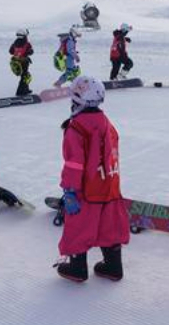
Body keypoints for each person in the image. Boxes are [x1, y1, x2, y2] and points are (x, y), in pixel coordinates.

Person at [55, 76, 129, 282]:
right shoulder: (107, 123)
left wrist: (70, 190)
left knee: (79, 226)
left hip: (86, 188)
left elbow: (74, 163)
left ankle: (77, 268)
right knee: (110, 224)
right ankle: (113, 266)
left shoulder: (76, 127)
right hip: (109, 185)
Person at [9, 29, 34, 96]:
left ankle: (26, 90)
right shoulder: (27, 43)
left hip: (16, 62)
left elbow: (10, 51)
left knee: (25, 76)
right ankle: (20, 92)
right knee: (25, 76)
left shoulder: (15, 43)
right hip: (24, 62)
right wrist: (28, 52)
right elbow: (31, 52)